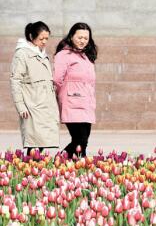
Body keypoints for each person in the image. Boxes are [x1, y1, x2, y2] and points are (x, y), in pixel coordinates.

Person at [10, 21, 60, 156]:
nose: (44, 42)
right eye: (41, 38)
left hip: (45, 105)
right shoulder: (22, 54)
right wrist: (20, 106)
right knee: (34, 143)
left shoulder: (42, 54)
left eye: (46, 39)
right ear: (32, 36)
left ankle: (35, 172)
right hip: (32, 105)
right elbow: (15, 80)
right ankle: (30, 172)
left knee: (41, 144)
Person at [54, 22, 97, 158]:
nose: (83, 41)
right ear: (72, 36)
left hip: (86, 104)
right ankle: (62, 160)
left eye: (85, 38)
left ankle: (73, 165)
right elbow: (56, 79)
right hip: (72, 103)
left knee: (83, 142)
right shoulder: (64, 55)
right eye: (79, 37)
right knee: (80, 140)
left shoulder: (86, 57)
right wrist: (66, 95)